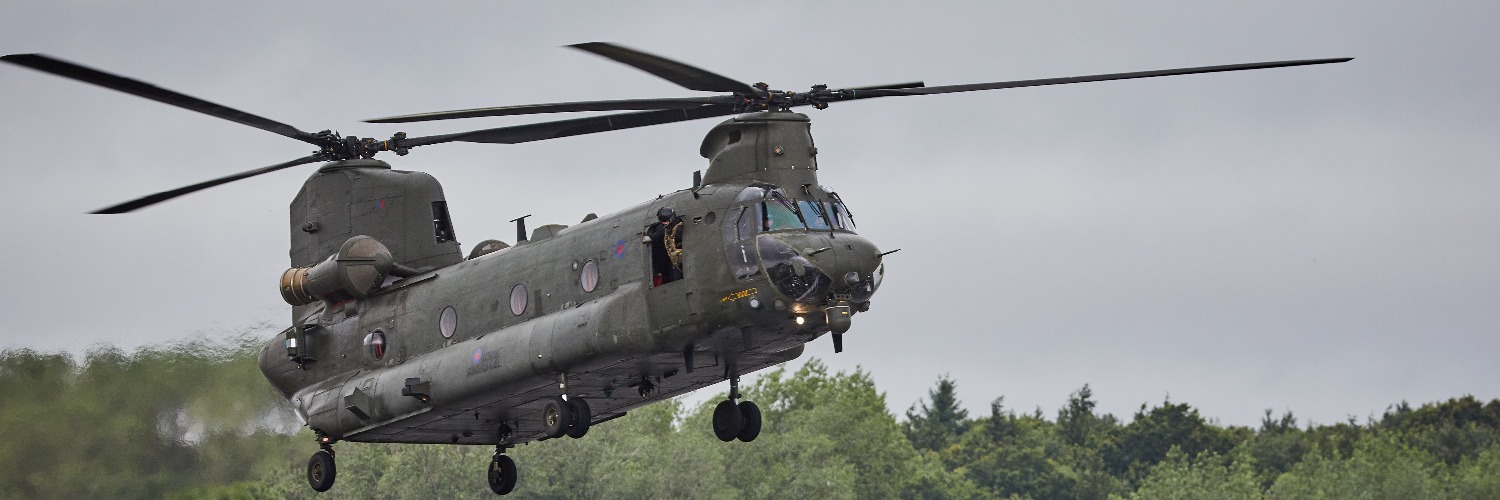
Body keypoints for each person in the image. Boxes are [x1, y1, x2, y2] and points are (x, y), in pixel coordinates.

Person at [645, 207, 685, 285]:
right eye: (663, 222)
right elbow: (661, 231)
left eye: (666, 221)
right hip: (674, 262)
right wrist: (652, 237)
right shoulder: (665, 228)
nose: (665, 223)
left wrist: (652, 237)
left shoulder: (678, 227)